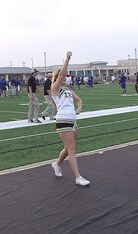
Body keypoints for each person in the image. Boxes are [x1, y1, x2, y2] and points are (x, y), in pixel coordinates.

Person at [50, 51, 90, 186]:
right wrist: (67, 60)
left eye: (67, 76)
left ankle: (57, 164)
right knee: (72, 150)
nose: (66, 77)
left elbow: (79, 100)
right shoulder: (55, 88)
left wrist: (79, 108)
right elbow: (62, 73)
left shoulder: (68, 90)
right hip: (63, 120)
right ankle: (78, 177)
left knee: (68, 148)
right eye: (64, 75)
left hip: (73, 121)